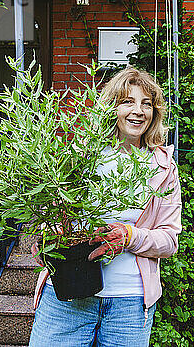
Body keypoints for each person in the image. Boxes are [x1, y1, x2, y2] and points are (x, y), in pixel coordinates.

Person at [28, 67, 182, 347]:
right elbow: (51, 215)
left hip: (130, 303)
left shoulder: (163, 167)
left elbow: (169, 239)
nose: (138, 111)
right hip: (67, 297)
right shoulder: (80, 156)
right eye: (127, 102)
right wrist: (46, 241)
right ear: (111, 107)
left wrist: (130, 236)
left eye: (146, 103)